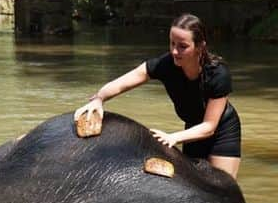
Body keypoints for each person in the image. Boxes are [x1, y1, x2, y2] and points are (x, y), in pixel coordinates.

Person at [73, 13, 242, 178]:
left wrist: (173, 137)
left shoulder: (218, 74)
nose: (175, 51)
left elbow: (209, 127)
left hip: (222, 131)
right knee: (198, 189)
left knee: (221, 192)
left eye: (182, 46)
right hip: (191, 130)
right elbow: (128, 79)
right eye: (172, 43)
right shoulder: (166, 65)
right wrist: (99, 98)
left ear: (200, 46)